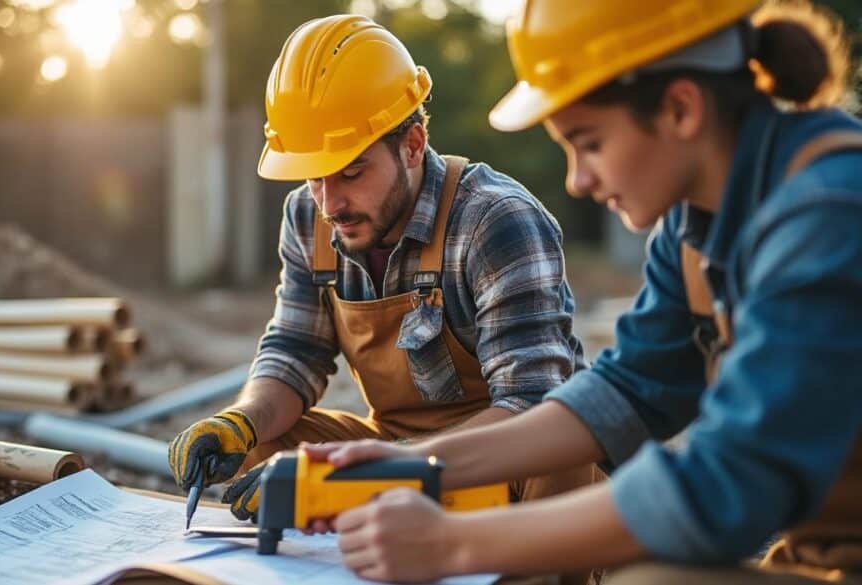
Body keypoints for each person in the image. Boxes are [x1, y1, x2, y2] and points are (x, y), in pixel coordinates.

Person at [306, 1, 862, 583]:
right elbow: (624, 395)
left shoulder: (829, 216)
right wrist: (413, 465)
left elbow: (725, 484)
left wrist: (454, 544)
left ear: (680, 108)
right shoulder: (694, 226)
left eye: (589, 142)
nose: (578, 179)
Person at [167, 13, 596, 532]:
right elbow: (295, 352)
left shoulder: (496, 221)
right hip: (390, 454)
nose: (329, 202)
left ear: (413, 144)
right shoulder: (308, 216)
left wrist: (376, 474)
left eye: (351, 172)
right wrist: (240, 421)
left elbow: (534, 406)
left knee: (557, 450)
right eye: (313, 177)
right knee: (268, 448)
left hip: (503, 463)